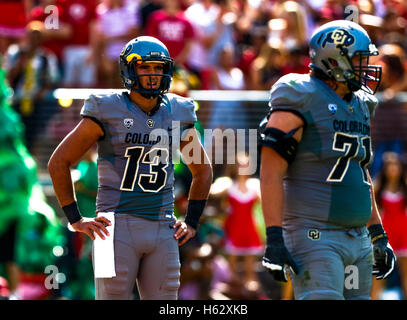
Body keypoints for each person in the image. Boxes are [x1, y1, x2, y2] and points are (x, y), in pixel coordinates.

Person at [48, 36, 213, 300]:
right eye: (144, 67)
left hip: (162, 226)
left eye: (158, 67)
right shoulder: (106, 108)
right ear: (129, 69)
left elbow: (202, 170)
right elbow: (58, 162)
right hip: (111, 228)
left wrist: (191, 221)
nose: (152, 74)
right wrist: (75, 219)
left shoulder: (179, 110)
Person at [258, 20, 396, 300]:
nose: (366, 66)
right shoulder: (301, 95)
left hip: (357, 239)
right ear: (334, 58)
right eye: (359, 58)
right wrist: (274, 236)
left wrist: (378, 233)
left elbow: (359, 173)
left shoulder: (360, 103)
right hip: (315, 235)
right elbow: (271, 172)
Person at [371, 152, 407, 299]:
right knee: (379, 278)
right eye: (389, 166)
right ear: (384, 169)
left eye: (396, 165)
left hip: (404, 237)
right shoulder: (377, 190)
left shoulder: (406, 189)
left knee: (406, 276)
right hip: (384, 239)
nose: (393, 168)